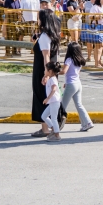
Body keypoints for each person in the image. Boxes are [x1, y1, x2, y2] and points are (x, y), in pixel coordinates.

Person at [30, 10, 63, 139]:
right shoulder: (53, 35)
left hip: (42, 70)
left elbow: (46, 56)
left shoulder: (44, 36)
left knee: (41, 97)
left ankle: (45, 128)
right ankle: (52, 124)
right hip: (51, 70)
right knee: (50, 97)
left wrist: (46, 74)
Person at [61, 41, 93, 133]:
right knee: (79, 105)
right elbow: (76, 73)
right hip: (78, 84)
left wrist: (54, 72)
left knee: (62, 106)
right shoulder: (80, 60)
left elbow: (64, 71)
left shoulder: (69, 60)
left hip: (71, 85)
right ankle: (87, 123)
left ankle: (56, 124)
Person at [40, 61, 63, 142]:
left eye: (45, 70)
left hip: (54, 102)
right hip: (53, 102)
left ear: (50, 71)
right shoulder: (51, 78)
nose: (44, 71)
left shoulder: (53, 79)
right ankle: (53, 129)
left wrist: (47, 99)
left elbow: (53, 89)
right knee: (44, 116)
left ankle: (57, 135)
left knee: (54, 118)